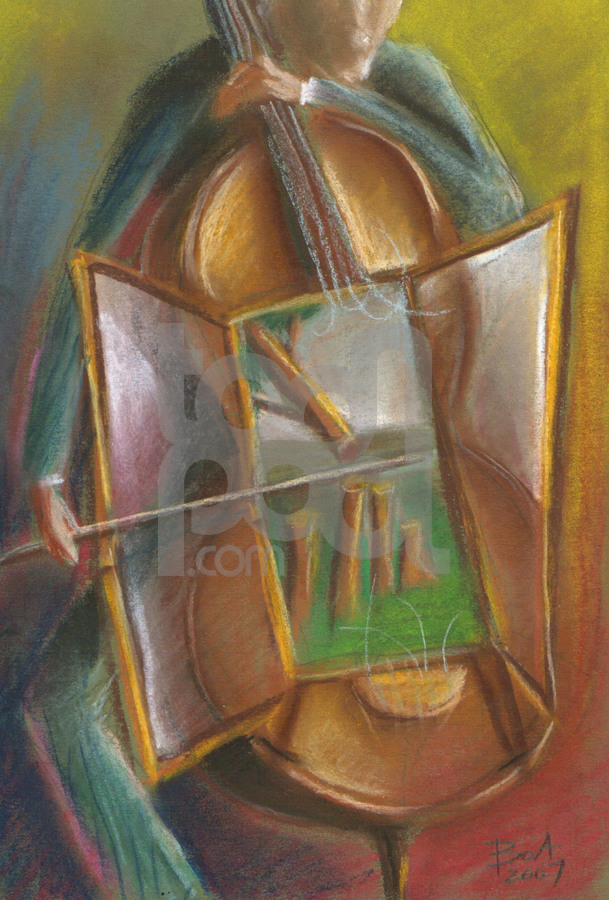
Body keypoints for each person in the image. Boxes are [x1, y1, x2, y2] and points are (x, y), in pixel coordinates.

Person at [17, 0, 525, 896]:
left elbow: (495, 207)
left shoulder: (412, 83)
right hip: (246, 466)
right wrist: (48, 462)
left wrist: (324, 97)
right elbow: (89, 265)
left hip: (412, 455)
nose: (371, 15)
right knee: (66, 699)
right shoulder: (187, 93)